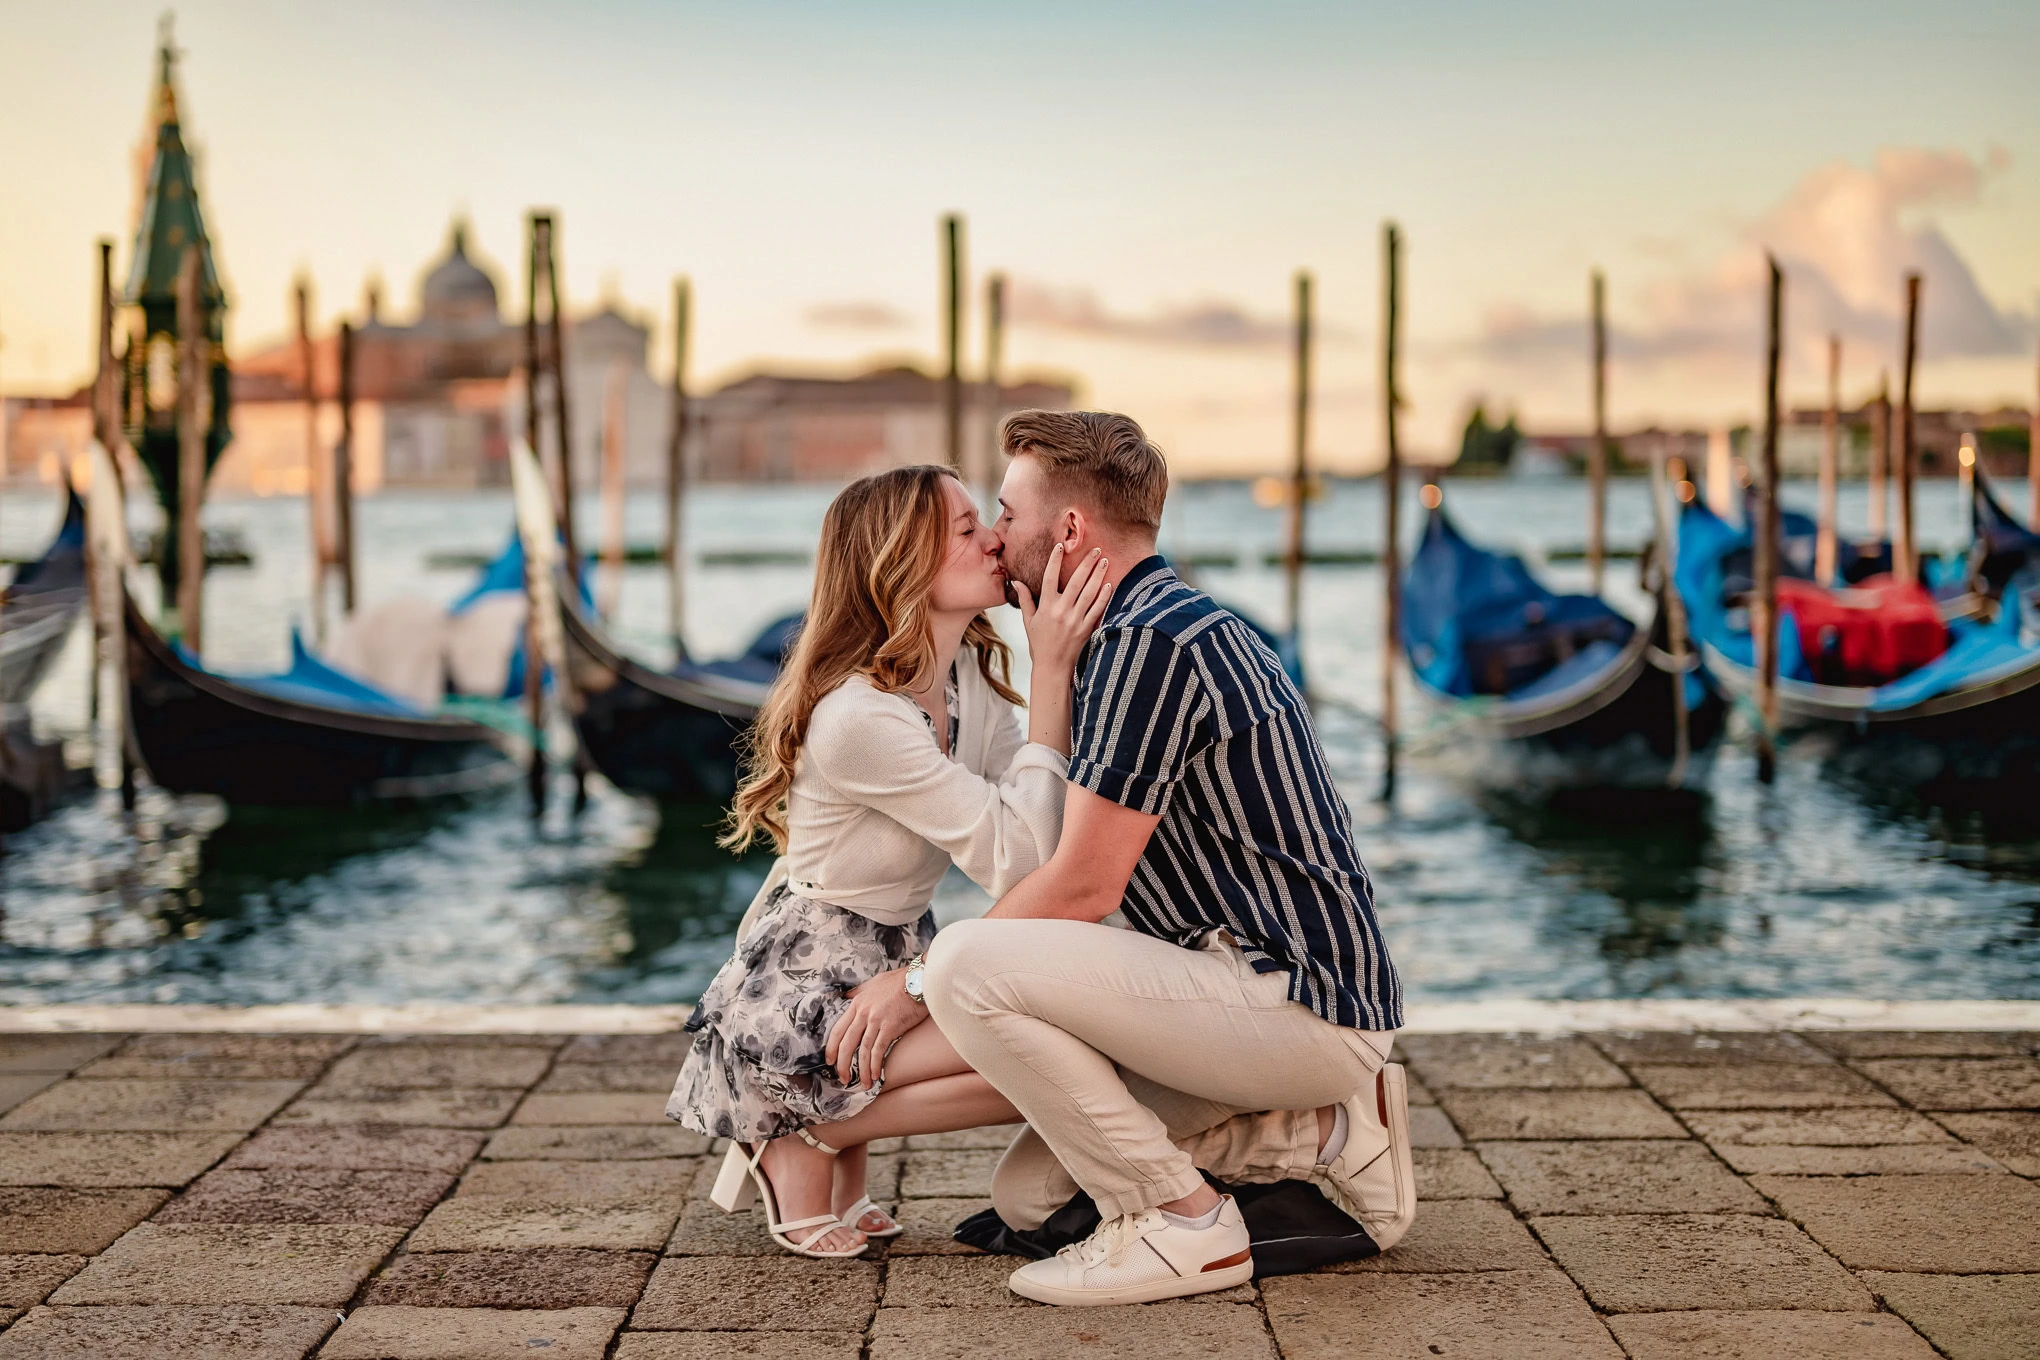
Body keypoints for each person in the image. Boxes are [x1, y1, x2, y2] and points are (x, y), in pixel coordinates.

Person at [813, 410, 1414, 1306]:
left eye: (1006, 513)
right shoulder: (1118, 635)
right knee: (1027, 1198)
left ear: (1069, 532)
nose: (996, 534)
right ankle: (1330, 1131)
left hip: (1292, 996)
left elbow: (1084, 886)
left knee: (970, 964)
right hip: (1237, 987)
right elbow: (1051, 859)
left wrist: (911, 985)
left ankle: (1184, 1227)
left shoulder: (1151, 642)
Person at [665, 463, 1112, 1258]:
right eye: (968, 529)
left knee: (1064, 1044)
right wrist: (1051, 675)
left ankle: (820, 1132)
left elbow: (1032, 841)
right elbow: (1017, 859)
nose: (996, 539)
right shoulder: (860, 717)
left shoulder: (967, 675)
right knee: (1043, 1047)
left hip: (897, 939)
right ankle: (793, 1125)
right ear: (901, 561)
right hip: (808, 973)